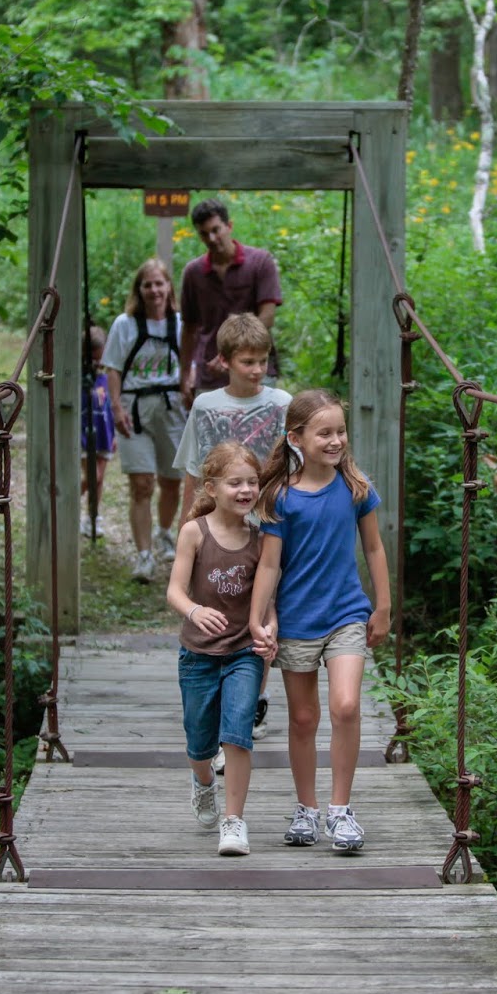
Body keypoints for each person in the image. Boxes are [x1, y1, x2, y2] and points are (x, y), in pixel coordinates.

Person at [248, 389, 390, 854]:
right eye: (324, 433)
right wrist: (257, 619)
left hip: (346, 613)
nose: (335, 441)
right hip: (296, 620)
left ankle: (340, 810)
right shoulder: (281, 497)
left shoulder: (356, 488)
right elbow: (270, 565)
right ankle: (305, 808)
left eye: (340, 432)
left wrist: (382, 605)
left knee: (347, 705)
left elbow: (373, 548)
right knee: (304, 718)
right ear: (296, 438)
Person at [174, 313, 292, 746]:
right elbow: (193, 469)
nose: (257, 369)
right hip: (219, 524)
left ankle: (253, 698)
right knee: (222, 601)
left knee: (260, 613)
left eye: (262, 360)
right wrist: (188, 522)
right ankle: (220, 692)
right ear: (224, 361)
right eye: (247, 361)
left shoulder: (282, 403)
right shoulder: (206, 406)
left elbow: (294, 467)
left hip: (268, 526)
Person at [165, 441, 275, 857]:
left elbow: (268, 598)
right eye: (235, 483)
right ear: (211, 487)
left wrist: (270, 625)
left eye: (252, 482)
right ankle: (202, 782)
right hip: (197, 655)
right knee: (199, 742)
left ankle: (234, 821)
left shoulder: (262, 537)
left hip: (243, 653)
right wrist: (194, 611)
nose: (246, 490)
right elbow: (175, 591)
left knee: (238, 735)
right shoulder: (195, 532)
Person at [100, 258, 186, 583]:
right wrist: (116, 409)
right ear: (139, 289)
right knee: (141, 484)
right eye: (147, 285)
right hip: (135, 408)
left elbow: (190, 361)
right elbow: (113, 368)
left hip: (173, 407)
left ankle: (165, 532)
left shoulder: (179, 323)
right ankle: (144, 556)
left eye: (159, 283)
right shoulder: (125, 324)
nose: (154, 290)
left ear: (168, 287)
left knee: (172, 481)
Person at [178, 198, 282, 405]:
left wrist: (231, 351)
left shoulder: (260, 262)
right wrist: (183, 375)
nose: (212, 238)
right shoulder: (194, 273)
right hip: (210, 374)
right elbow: (189, 329)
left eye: (216, 230)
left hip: (256, 369)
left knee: (260, 435)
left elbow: (267, 316)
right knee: (212, 436)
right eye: (204, 234)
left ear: (229, 226)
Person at [80, 325, 114, 539]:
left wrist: (115, 435)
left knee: (99, 479)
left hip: (104, 432)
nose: (97, 363)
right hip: (85, 432)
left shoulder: (107, 376)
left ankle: (92, 516)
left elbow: (110, 405)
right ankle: (66, 504)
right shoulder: (78, 377)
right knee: (94, 475)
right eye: (93, 359)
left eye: (100, 358)